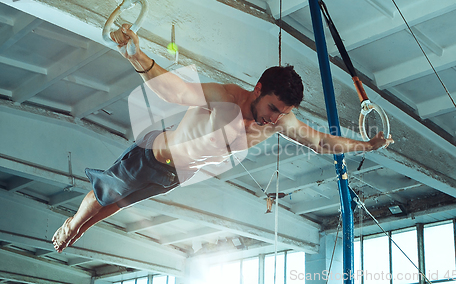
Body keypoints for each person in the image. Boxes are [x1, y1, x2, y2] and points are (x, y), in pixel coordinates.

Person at [52, 24, 394, 253]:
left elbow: (320, 142)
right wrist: (136, 55)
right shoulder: (227, 96)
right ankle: (71, 224)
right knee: (102, 197)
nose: (273, 119)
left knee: (118, 204)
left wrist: (366, 146)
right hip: (155, 154)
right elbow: (176, 91)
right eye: (272, 108)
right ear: (258, 89)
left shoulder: (278, 121)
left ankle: (78, 228)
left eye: (281, 113)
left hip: (176, 175)